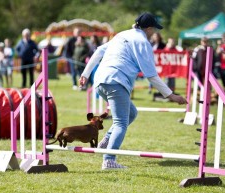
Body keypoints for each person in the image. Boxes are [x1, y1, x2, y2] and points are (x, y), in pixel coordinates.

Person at [79, 12, 187, 170]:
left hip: (100, 81)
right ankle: (109, 160)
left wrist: (85, 74)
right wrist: (171, 95)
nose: (154, 33)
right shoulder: (143, 41)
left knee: (132, 113)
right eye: (154, 29)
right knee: (120, 123)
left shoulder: (121, 35)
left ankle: (107, 140)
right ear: (149, 28)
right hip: (116, 81)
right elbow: (151, 75)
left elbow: (99, 52)